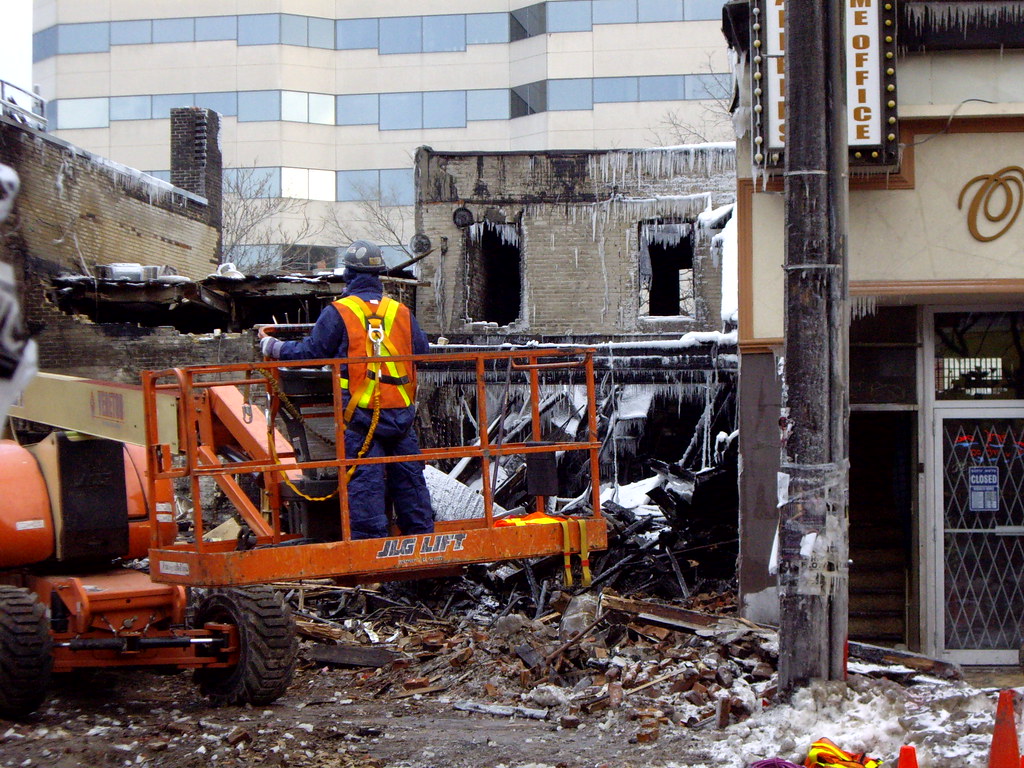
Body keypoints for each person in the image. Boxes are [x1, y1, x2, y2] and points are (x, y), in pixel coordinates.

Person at [259, 240, 434, 540]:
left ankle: (371, 556)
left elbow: (311, 352)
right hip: (401, 418)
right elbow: (422, 351)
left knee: (365, 487)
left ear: (348, 275)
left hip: (361, 419)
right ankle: (424, 546)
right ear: (379, 275)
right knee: (410, 483)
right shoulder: (400, 312)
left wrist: (273, 346)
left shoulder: (340, 312)